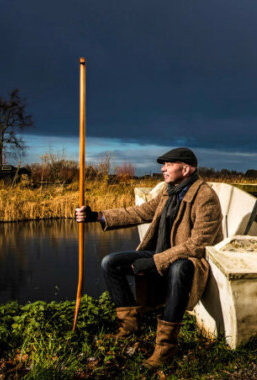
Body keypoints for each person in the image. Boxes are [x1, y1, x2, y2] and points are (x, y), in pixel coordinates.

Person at [75, 147, 222, 368]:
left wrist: (154, 261)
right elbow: (140, 212)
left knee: (178, 268)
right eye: (163, 165)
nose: (163, 169)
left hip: (189, 260)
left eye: (168, 165)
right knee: (111, 263)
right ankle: (129, 327)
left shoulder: (205, 196)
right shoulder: (167, 190)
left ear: (186, 168)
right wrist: (97, 216)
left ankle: (165, 348)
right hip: (161, 253)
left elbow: (198, 244)